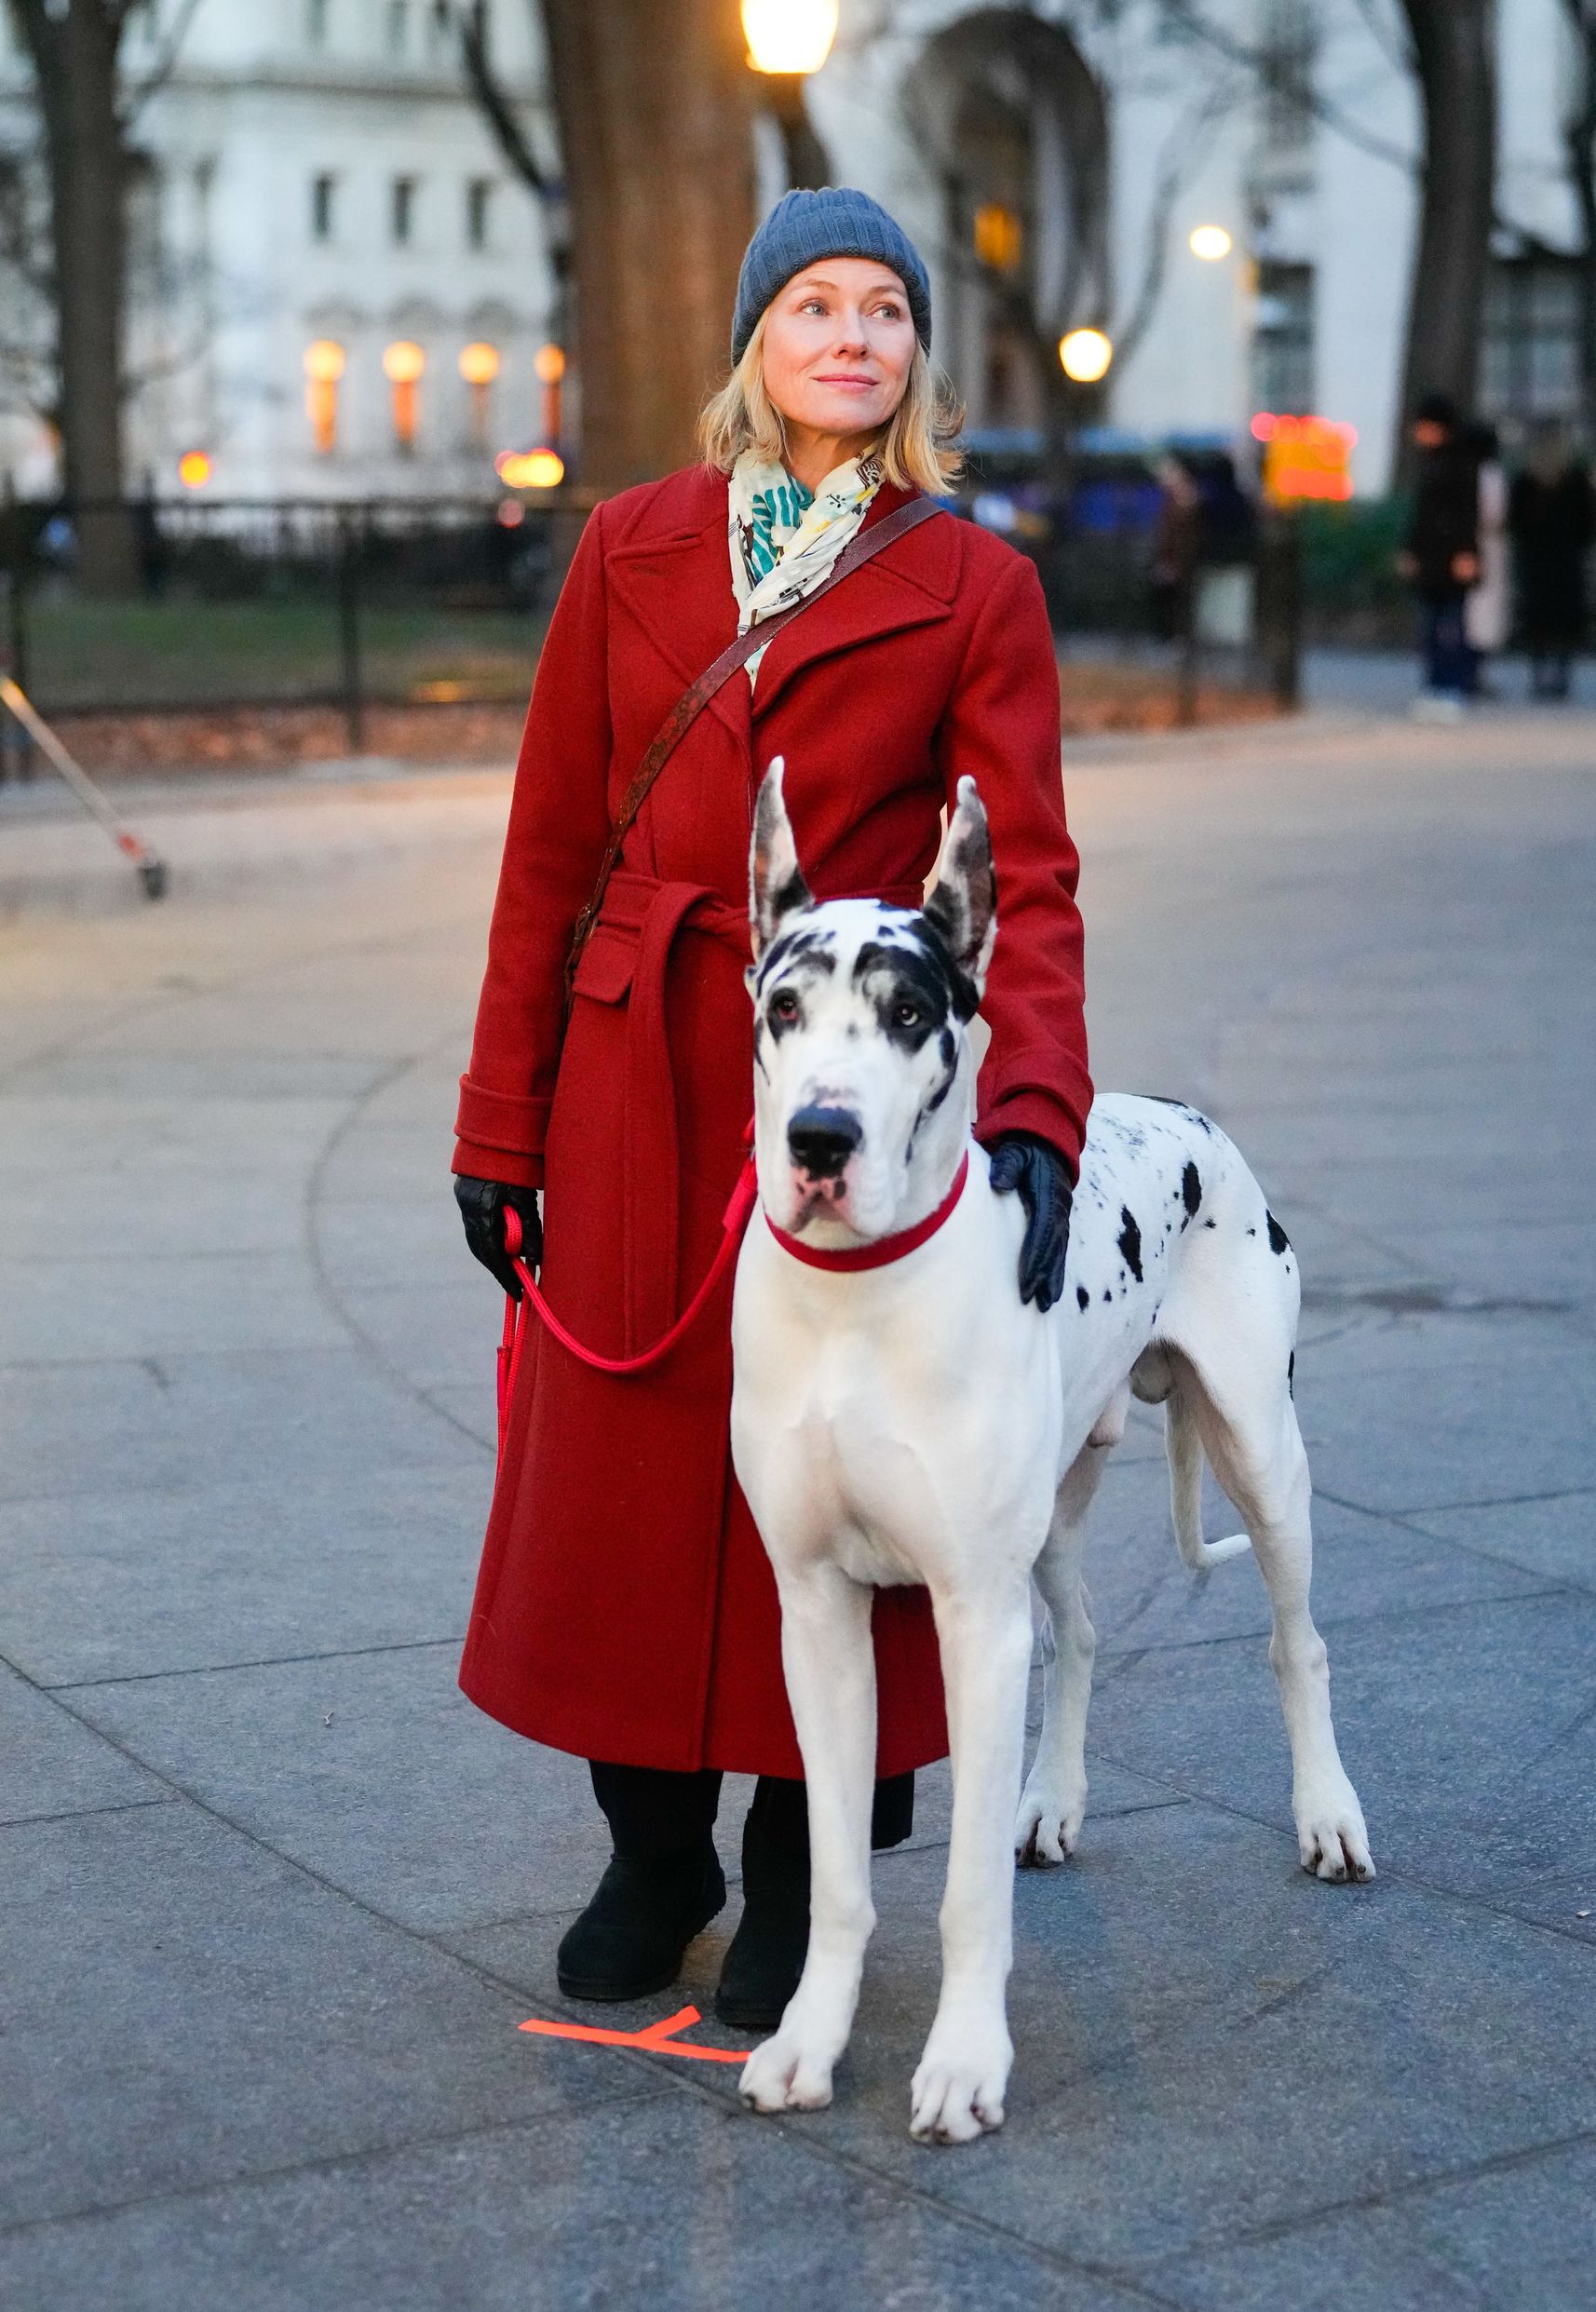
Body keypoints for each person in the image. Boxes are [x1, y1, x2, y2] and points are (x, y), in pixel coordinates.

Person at [449, 188, 1090, 2033]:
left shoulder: (975, 583)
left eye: (885, 309)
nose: (853, 335)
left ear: (912, 359)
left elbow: (1027, 878)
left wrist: (1035, 1104)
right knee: (636, 1483)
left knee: (866, 1468)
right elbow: (548, 853)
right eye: (815, 302)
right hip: (641, 1063)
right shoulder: (629, 545)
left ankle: (816, 1861)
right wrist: (504, 1120)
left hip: (860, 1093)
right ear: (756, 340)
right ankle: (654, 1851)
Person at [1396, 392, 1480, 720]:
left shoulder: (1460, 462)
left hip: (1452, 554)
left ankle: (1451, 688)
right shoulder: (1428, 462)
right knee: (1432, 627)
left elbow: (1466, 512)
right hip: (1430, 557)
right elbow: (1420, 515)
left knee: (1451, 627)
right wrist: (1410, 550)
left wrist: (1467, 552)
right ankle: (1434, 687)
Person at [1508, 421, 1596, 700]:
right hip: (1564, 558)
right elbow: (1590, 523)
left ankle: (1541, 675)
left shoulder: (1527, 481)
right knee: (1562, 620)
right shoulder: (1574, 479)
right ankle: (1560, 675)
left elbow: (1515, 522)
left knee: (1540, 620)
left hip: (1539, 559)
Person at [1461, 422, 1510, 696]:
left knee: (1475, 613)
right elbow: (1496, 515)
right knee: (1482, 615)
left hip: (1480, 546)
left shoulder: (1469, 472)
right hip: (1487, 546)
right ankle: (1474, 673)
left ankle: (1471, 673)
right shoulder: (1490, 475)